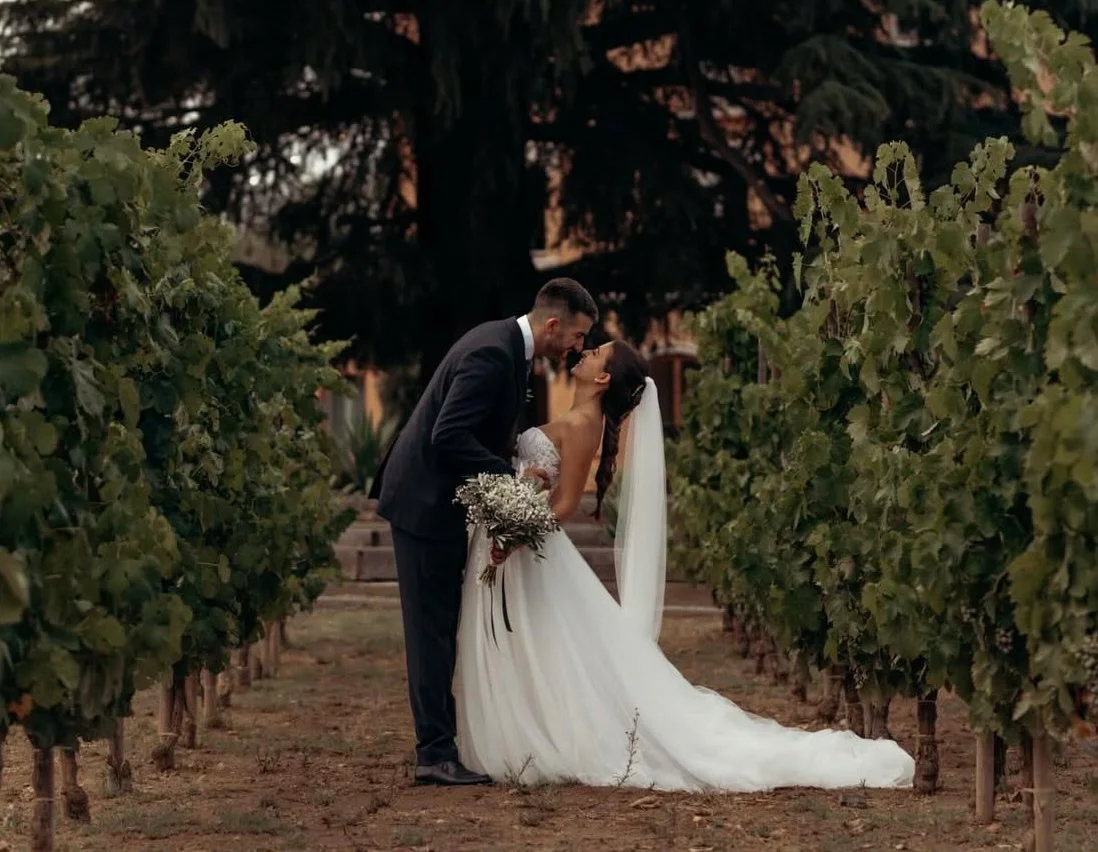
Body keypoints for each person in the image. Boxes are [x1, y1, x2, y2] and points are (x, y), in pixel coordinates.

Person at [453, 340, 917, 791]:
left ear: (603, 377)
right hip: (520, 540)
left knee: (548, 643)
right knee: (544, 645)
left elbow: (569, 503)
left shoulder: (581, 423)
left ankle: (535, 738)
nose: (587, 351)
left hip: (528, 545)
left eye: (596, 353)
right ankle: (530, 730)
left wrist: (515, 535)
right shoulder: (580, 418)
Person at [370, 278, 598, 786]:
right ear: (554, 324)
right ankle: (434, 755)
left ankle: (441, 744)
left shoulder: (505, 348)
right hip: (425, 506)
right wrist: (509, 474)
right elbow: (447, 434)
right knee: (430, 633)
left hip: (440, 504)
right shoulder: (493, 353)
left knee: (439, 628)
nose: (578, 348)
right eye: (578, 336)